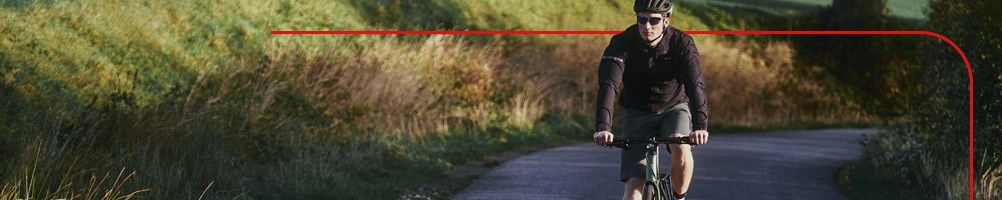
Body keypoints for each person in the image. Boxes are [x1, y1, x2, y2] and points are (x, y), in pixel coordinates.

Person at [592, 0, 709, 199]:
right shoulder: (621, 43)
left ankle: (679, 197)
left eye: (654, 20)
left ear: (666, 21)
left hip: (673, 107)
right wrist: (603, 128)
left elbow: (694, 85)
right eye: (642, 19)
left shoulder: (682, 43)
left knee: (681, 148)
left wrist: (700, 126)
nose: (647, 26)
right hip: (637, 110)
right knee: (634, 187)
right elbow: (609, 86)